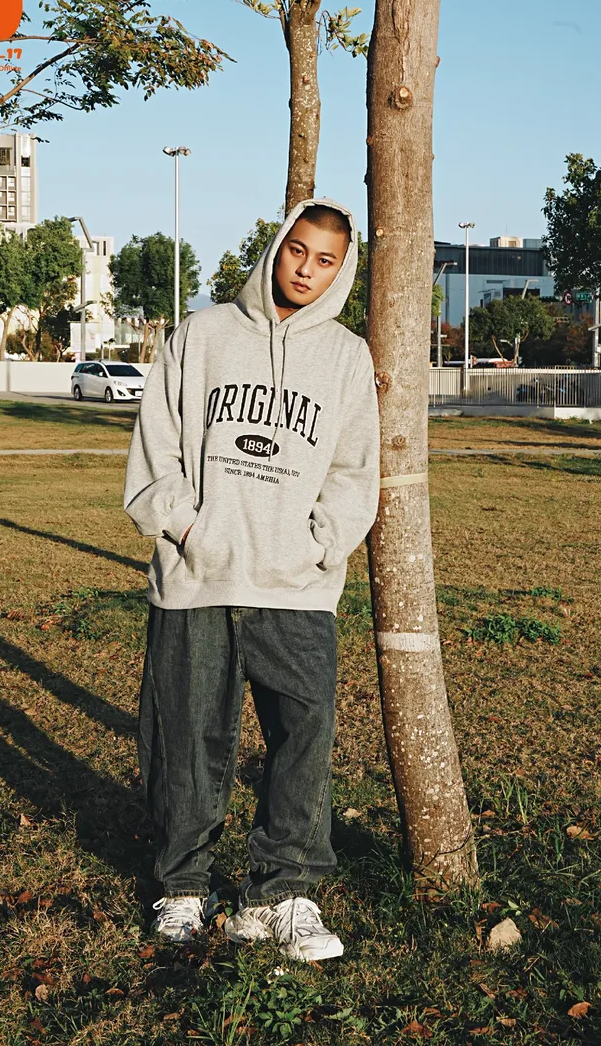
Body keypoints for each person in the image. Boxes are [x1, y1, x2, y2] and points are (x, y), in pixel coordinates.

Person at [123, 198, 380, 961]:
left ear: (342, 270)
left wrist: (318, 544)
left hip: (295, 586)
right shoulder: (200, 336)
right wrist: (189, 528)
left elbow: (355, 471)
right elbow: (157, 448)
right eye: (298, 250)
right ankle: (183, 887)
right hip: (196, 577)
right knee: (186, 737)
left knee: (305, 735)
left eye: (325, 260)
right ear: (277, 247)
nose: (306, 269)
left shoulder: (346, 357)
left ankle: (282, 893)